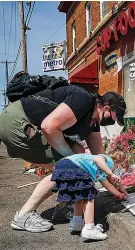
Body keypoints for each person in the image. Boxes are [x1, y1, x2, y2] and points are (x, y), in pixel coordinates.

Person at [0, 72, 128, 232]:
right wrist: (72, 161)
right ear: (106, 107)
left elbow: (98, 160)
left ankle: (63, 207)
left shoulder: (93, 122)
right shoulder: (84, 99)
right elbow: (49, 126)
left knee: (78, 153)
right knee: (69, 167)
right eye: (115, 117)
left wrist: (115, 183)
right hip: (20, 122)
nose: (114, 121)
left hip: (21, 122)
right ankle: (23, 215)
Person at [49, 151, 127, 240]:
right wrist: (111, 173)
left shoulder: (98, 170)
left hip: (62, 165)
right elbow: (98, 159)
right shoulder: (108, 161)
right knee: (89, 197)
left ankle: (76, 223)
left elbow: (107, 184)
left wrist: (119, 194)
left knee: (79, 196)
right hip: (75, 166)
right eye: (117, 168)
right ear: (117, 163)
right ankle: (89, 228)